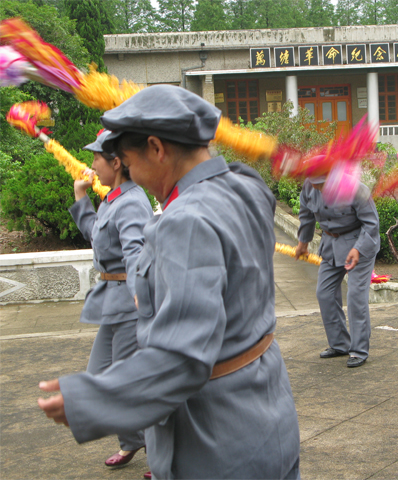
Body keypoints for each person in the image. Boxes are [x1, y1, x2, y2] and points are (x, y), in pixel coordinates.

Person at [38, 85, 301, 480]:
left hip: (217, 440)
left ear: (157, 149)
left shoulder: (185, 220)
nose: (133, 174)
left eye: (127, 159)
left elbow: (183, 356)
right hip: (269, 409)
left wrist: (89, 399)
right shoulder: (245, 184)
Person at [70, 129, 152, 468]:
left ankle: (160, 449)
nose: (92, 166)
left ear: (116, 163)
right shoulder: (113, 198)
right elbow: (96, 236)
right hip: (112, 304)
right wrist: (80, 196)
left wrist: (138, 291)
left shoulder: (132, 201)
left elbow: (136, 253)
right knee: (100, 377)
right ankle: (134, 439)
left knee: (129, 384)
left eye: (96, 159)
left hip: (129, 304)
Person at [295, 176, 380, 367]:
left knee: (356, 296)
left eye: (322, 182)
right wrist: (303, 244)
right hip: (330, 245)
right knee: (324, 293)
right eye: (314, 181)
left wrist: (358, 249)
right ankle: (340, 343)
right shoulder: (309, 187)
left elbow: (372, 224)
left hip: (359, 244)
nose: (317, 186)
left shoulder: (356, 189)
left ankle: (358, 350)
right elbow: (306, 215)